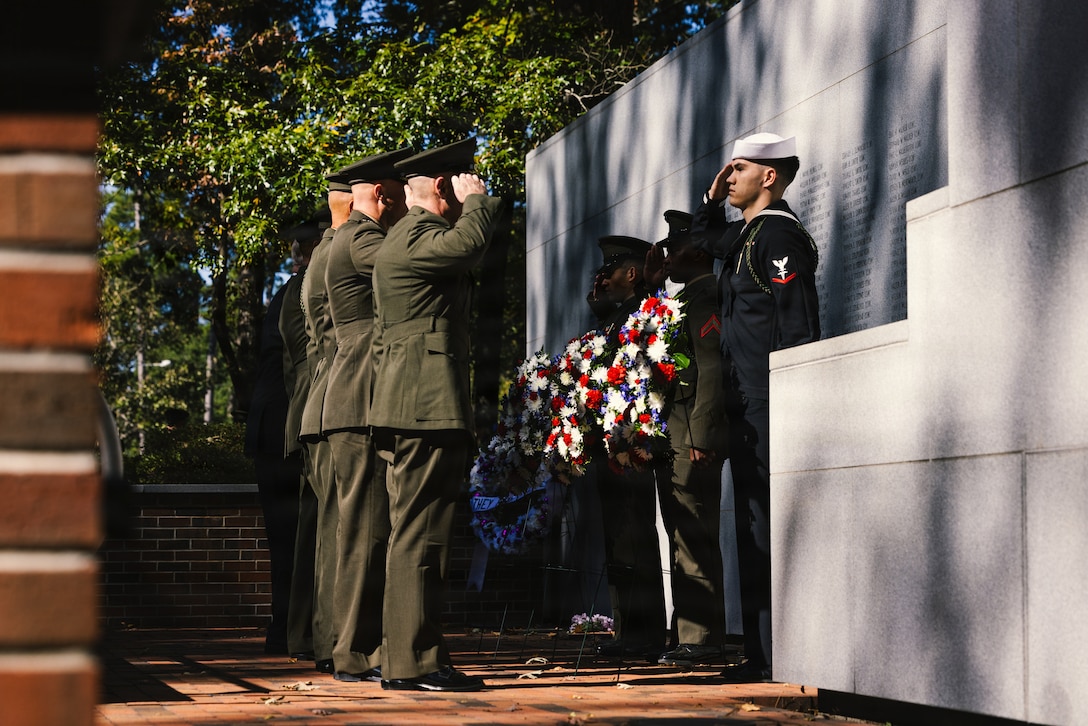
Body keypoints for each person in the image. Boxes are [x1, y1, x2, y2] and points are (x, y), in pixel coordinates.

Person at [369, 137, 504, 692]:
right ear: (444, 186)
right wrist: (480, 202)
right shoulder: (417, 238)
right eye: (460, 182)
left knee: (413, 533)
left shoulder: (403, 237)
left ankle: (402, 650)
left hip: (411, 404)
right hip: (424, 405)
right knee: (422, 536)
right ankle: (414, 661)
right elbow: (470, 248)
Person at [689, 132, 820, 682]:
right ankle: (760, 655)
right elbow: (702, 240)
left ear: (770, 176)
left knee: (769, 526)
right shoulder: (746, 235)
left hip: (771, 401)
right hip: (744, 406)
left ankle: (780, 654)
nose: (731, 175)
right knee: (749, 527)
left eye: (740, 168)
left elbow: (797, 322)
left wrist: (795, 395)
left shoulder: (778, 237)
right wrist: (710, 198)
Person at [322, 147, 413, 683]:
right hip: (360, 394)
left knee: (364, 528)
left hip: (356, 394)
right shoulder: (361, 239)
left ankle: (357, 644)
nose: (407, 204)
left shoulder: (350, 237)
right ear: (382, 192)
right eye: (401, 194)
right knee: (365, 530)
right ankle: (355, 650)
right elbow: (409, 273)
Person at [644, 210, 728, 668]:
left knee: (694, 531)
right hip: (671, 434)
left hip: (690, 434)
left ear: (697, 251)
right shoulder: (680, 298)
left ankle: (703, 638)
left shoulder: (705, 297)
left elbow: (711, 370)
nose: (665, 255)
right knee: (679, 532)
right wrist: (655, 285)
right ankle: (689, 634)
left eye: (673, 248)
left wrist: (704, 434)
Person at [587, 235, 668, 662]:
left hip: (632, 440)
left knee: (634, 535)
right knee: (617, 536)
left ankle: (645, 634)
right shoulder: (614, 317)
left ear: (631, 273)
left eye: (609, 270)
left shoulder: (641, 312)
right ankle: (627, 629)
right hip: (608, 440)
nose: (601, 278)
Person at [293, 173, 353, 673]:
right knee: (344, 533)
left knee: (330, 533)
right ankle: (339, 643)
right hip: (341, 402)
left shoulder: (320, 257)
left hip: (322, 404)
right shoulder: (343, 252)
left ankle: (327, 640)